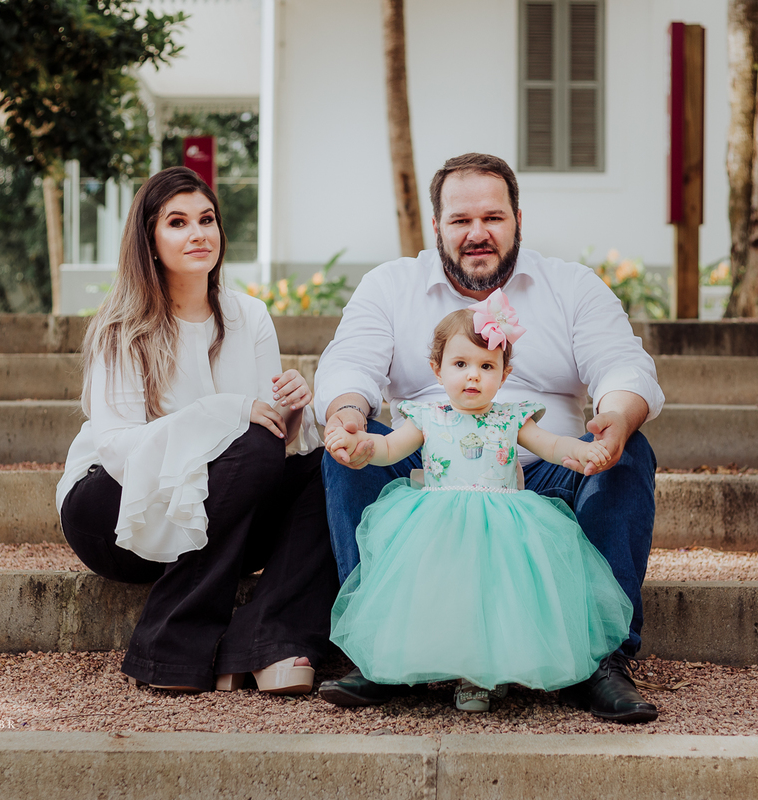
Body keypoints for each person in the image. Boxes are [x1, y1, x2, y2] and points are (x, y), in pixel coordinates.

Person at [314, 153, 664, 723]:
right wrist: (348, 415)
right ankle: (377, 650)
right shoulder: (391, 285)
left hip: (542, 471)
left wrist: (617, 418)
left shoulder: (571, 286)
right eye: (460, 220)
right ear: (437, 226)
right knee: (352, 453)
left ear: (518, 218)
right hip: (428, 471)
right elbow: (350, 365)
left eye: (494, 217)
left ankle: (602, 658)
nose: (478, 233)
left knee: (631, 453)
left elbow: (624, 366)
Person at [56, 166, 338, 695]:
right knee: (246, 437)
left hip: (223, 510)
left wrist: (292, 414)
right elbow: (117, 450)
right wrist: (227, 411)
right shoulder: (122, 328)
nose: (198, 233)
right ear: (149, 240)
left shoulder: (248, 317)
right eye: (178, 222)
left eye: (207, 220)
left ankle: (265, 639)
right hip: (115, 511)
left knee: (328, 469)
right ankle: (172, 644)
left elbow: (266, 443)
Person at [325, 300, 634, 712]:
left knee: (492, 595)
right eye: (460, 364)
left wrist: (583, 451)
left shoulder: (512, 418)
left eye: (487, 367)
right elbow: (390, 447)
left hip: (502, 524)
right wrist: (364, 446)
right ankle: (418, 662)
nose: (473, 375)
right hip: (439, 524)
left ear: (505, 374)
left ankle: (481, 675)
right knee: (440, 594)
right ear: (437, 368)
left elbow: (553, 445)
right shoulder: (425, 416)